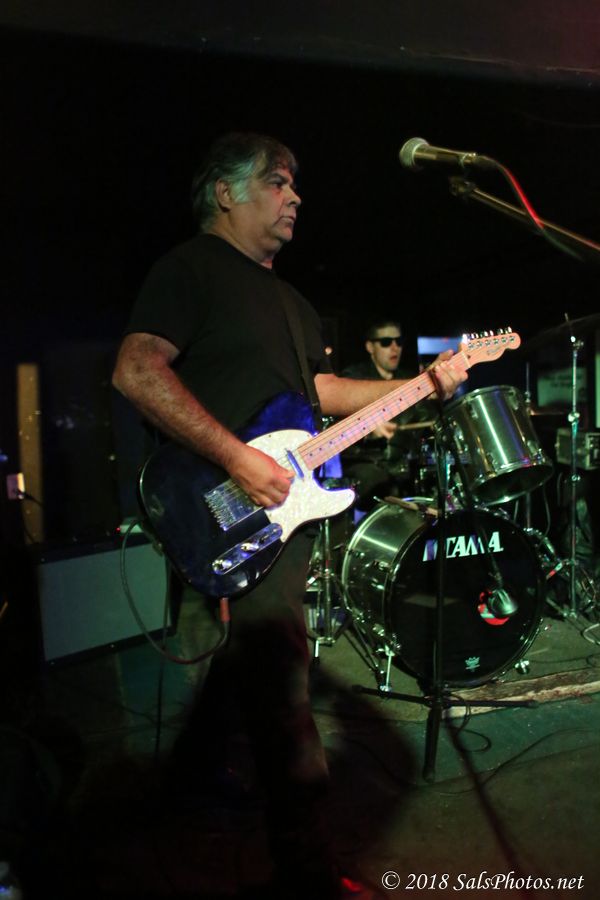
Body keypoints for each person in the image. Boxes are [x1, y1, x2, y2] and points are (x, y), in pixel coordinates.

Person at [112, 132, 466, 900]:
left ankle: (202, 800)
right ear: (225, 193)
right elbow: (136, 370)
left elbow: (323, 394)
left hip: (279, 517)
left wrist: (423, 385)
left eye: (294, 184)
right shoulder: (190, 269)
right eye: (276, 181)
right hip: (219, 502)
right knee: (281, 684)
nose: (295, 196)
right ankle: (307, 871)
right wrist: (237, 459)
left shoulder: (296, 303)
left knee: (249, 672)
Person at [340, 320, 437, 510]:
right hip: (366, 465)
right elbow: (335, 425)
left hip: (405, 464)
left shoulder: (408, 380)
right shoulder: (353, 379)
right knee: (380, 481)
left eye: (398, 341)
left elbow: (426, 417)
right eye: (386, 342)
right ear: (370, 347)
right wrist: (366, 426)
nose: (395, 347)